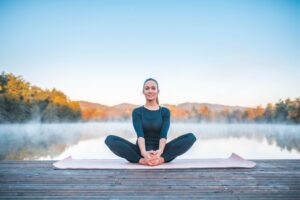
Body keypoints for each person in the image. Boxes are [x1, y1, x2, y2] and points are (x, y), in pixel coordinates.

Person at [105, 78, 197, 166]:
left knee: (190, 137)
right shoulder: (137, 112)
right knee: (110, 140)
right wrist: (144, 154)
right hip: (140, 151)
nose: (150, 91)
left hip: (162, 152)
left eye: (153, 88)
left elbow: (163, 135)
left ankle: (160, 160)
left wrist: (159, 153)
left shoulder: (165, 112)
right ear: (143, 92)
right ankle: (142, 161)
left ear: (158, 91)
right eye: (147, 88)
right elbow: (140, 135)